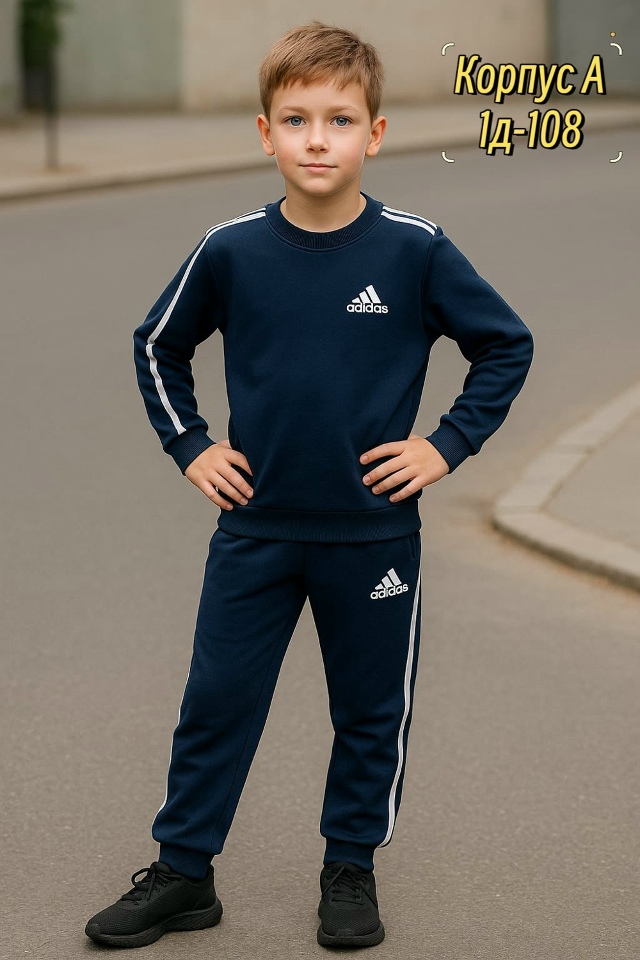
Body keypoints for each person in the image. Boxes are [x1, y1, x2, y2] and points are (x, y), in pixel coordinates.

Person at [84, 19, 534, 951]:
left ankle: (349, 870)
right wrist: (191, 446)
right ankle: (183, 873)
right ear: (265, 134)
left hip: (373, 534)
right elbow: (158, 345)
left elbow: (505, 345)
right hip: (255, 529)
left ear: (375, 133)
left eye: (339, 120)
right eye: (296, 120)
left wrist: (445, 446)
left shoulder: (414, 250)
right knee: (217, 699)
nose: (317, 139)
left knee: (368, 711)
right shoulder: (231, 250)